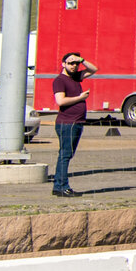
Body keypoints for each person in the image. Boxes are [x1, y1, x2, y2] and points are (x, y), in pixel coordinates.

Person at [50, 52, 94, 197]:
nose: (74, 66)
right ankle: (62, 186)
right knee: (65, 154)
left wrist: (82, 59)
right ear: (63, 64)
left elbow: (94, 69)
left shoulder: (75, 77)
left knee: (67, 154)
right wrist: (80, 98)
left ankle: (58, 186)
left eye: (76, 63)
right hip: (67, 123)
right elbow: (60, 101)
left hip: (77, 122)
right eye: (70, 63)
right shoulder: (60, 80)